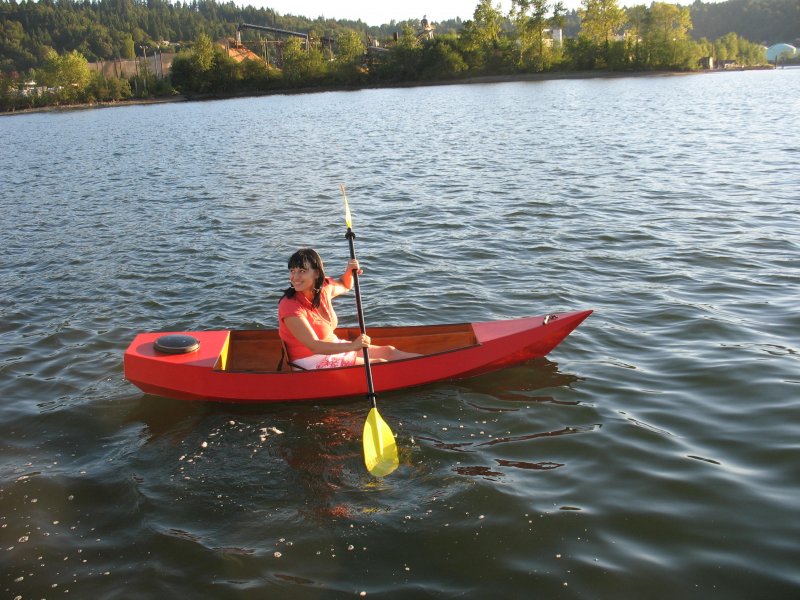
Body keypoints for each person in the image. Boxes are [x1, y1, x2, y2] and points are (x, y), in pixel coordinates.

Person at [278, 248, 418, 370]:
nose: (295, 277)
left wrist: (350, 271)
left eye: (302, 271)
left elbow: (345, 285)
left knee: (389, 351)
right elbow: (315, 346)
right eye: (292, 271)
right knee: (380, 364)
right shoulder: (289, 306)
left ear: (316, 273)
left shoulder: (324, 288)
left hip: (333, 347)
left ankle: (434, 365)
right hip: (311, 360)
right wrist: (352, 347)